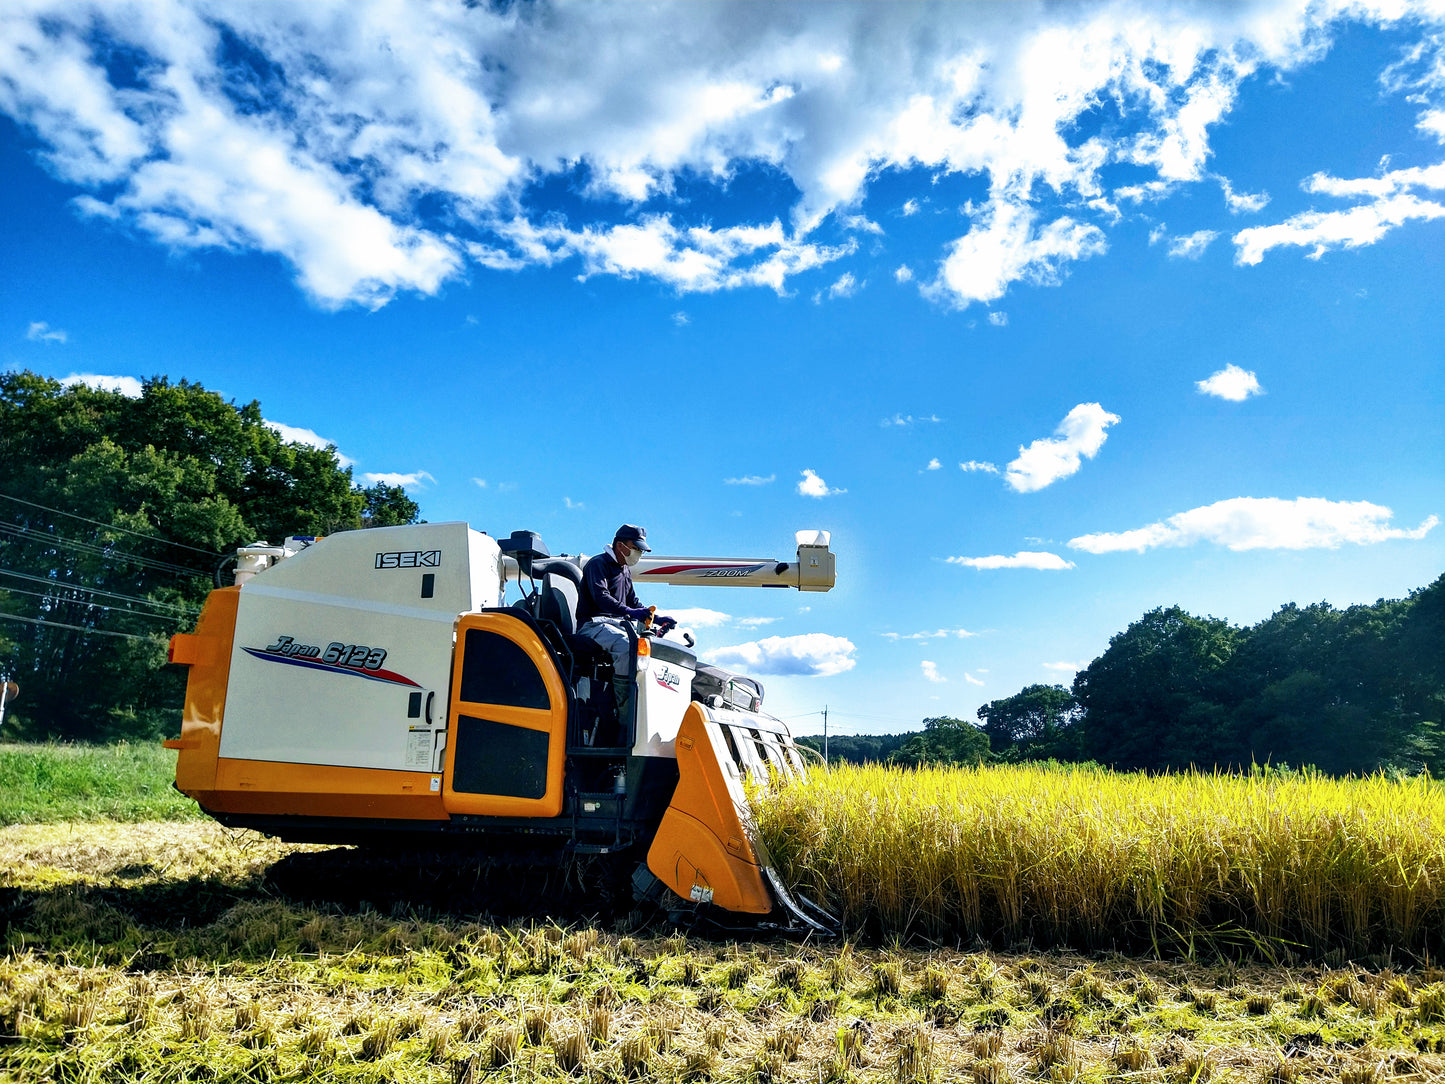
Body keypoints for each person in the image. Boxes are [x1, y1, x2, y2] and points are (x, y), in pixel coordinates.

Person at [577, 524, 675, 720]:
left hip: (615, 625)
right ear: (620, 546)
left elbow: (633, 602)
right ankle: (626, 715)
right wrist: (631, 612)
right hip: (593, 625)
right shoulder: (598, 564)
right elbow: (601, 597)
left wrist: (654, 618)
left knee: (645, 647)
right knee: (627, 647)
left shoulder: (624, 570)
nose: (638, 553)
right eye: (636, 548)